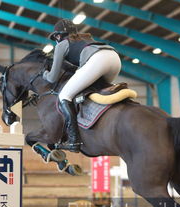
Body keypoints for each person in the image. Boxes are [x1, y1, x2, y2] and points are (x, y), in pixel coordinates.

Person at [43, 19, 121, 152]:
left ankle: (74, 140)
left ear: (57, 36)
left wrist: (44, 73)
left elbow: (52, 78)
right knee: (96, 92)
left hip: (98, 60)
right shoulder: (86, 38)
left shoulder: (61, 45)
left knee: (64, 96)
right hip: (114, 58)